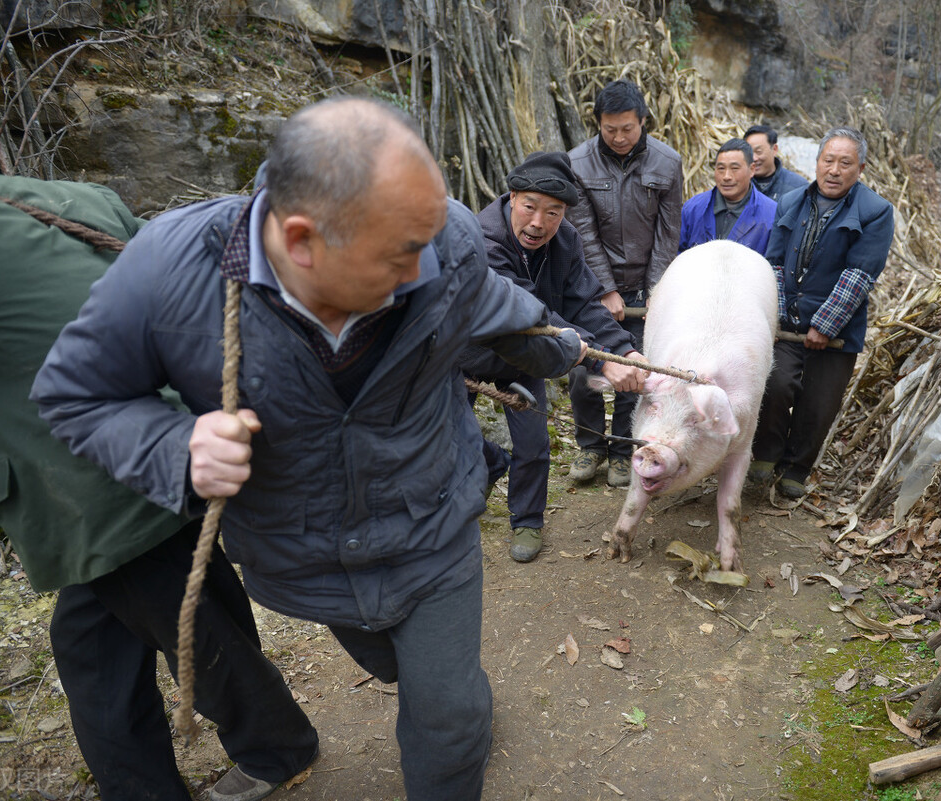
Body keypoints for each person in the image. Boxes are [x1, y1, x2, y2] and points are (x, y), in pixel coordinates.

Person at [31, 97, 586, 801]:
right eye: (398, 256)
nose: (425, 268)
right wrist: (177, 446)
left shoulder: (442, 243)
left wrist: (565, 348)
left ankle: (458, 721)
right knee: (397, 667)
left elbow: (493, 309)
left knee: (446, 713)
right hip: (306, 554)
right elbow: (75, 395)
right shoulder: (168, 272)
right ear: (300, 242)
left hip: (432, 524)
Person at [0, 157, 318, 801]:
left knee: (192, 619)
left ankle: (277, 748)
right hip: (165, 438)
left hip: (81, 482)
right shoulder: (72, 195)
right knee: (96, 640)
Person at [463, 152, 648, 563]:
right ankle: (489, 464)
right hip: (466, 355)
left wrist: (624, 350)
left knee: (533, 442)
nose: (539, 222)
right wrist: (599, 361)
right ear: (512, 197)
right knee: (447, 437)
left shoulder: (565, 240)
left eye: (554, 212)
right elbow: (531, 311)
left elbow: (584, 303)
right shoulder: (481, 239)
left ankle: (527, 520)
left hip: (526, 357)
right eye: (530, 206)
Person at [751, 126, 894, 499]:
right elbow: (775, 264)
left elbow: (859, 275)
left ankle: (797, 468)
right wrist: (781, 316)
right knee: (776, 384)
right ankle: (765, 455)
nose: (834, 170)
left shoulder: (876, 212)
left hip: (837, 333)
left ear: (860, 168)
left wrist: (824, 326)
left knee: (819, 403)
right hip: (787, 326)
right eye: (828, 160)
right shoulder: (792, 202)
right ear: (816, 163)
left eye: (845, 163)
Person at [565, 79, 683, 487]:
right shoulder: (577, 163)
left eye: (627, 129)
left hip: (643, 287)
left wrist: (656, 293)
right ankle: (591, 446)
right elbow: (582, 232)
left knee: (636, 373)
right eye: (609, 129)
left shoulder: (667, 164)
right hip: (590, 288)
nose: (618, 137)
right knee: (585, 373)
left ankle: (622, 450)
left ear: (643, 121)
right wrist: (604, 290)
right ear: (597, 122)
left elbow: (668, 234)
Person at [678, 138, 778, 253]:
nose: (726, 176)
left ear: (752, 170)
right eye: (721, 168)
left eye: (734, 168)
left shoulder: (771, 214)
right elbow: (678, 255)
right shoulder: (693, 208)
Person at [744, 124, 808, 203]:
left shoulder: (798, 186)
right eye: (749, 152)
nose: (754, 158)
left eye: (759, 152)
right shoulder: (738, 183)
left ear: (774, 149)